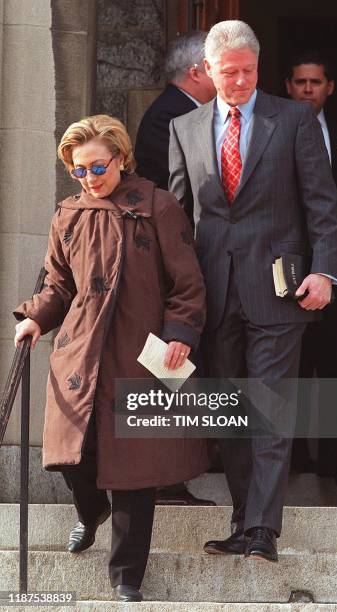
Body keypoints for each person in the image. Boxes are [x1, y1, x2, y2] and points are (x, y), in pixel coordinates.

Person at [169, 20, 337, 562]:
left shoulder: (291, 119)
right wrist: (175, 301)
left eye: (249, 71)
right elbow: (178, 223)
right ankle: (243, 519)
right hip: (214, 295)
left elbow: (322, 203)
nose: (241, 81)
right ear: (206, 71)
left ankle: (263, 531)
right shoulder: (185, 128)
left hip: (279, 293)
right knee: (230, 413)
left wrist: (326, 271)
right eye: (230, 73)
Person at [13, 115, 208, 602]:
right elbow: (58, 284)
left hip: (140, 357)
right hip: (80, 353)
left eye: (97, 167)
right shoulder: (68, 213)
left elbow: (187, 284)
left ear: (120, 158)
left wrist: (180, 333)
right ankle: (89, 509)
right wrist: (36, 317)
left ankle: (126, 578)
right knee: (70, 453)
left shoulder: (157, 206)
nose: (89, 178)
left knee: (135, 471)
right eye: (78, 171)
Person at [135, 31, 217, 506]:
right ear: (197, 72)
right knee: (171, 369)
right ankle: (165, 479)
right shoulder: (175, 115)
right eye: (217, 67)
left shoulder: (178, 109)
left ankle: (173, 475)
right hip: (172, 268)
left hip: (180, 265)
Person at [286, 51, 337, 491]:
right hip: (288, 276)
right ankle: (292, 459)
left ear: (329, 87)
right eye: (300, 82)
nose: (308, 89)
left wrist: (320, 207)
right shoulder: (272, 131)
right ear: (288, 85)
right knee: (291, 369)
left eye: (315, 82)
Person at [135, 30, 216, 192]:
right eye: (219, 67)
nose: (227, 76)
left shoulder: (189, 107)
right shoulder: (167, 116)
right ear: (195, 73)